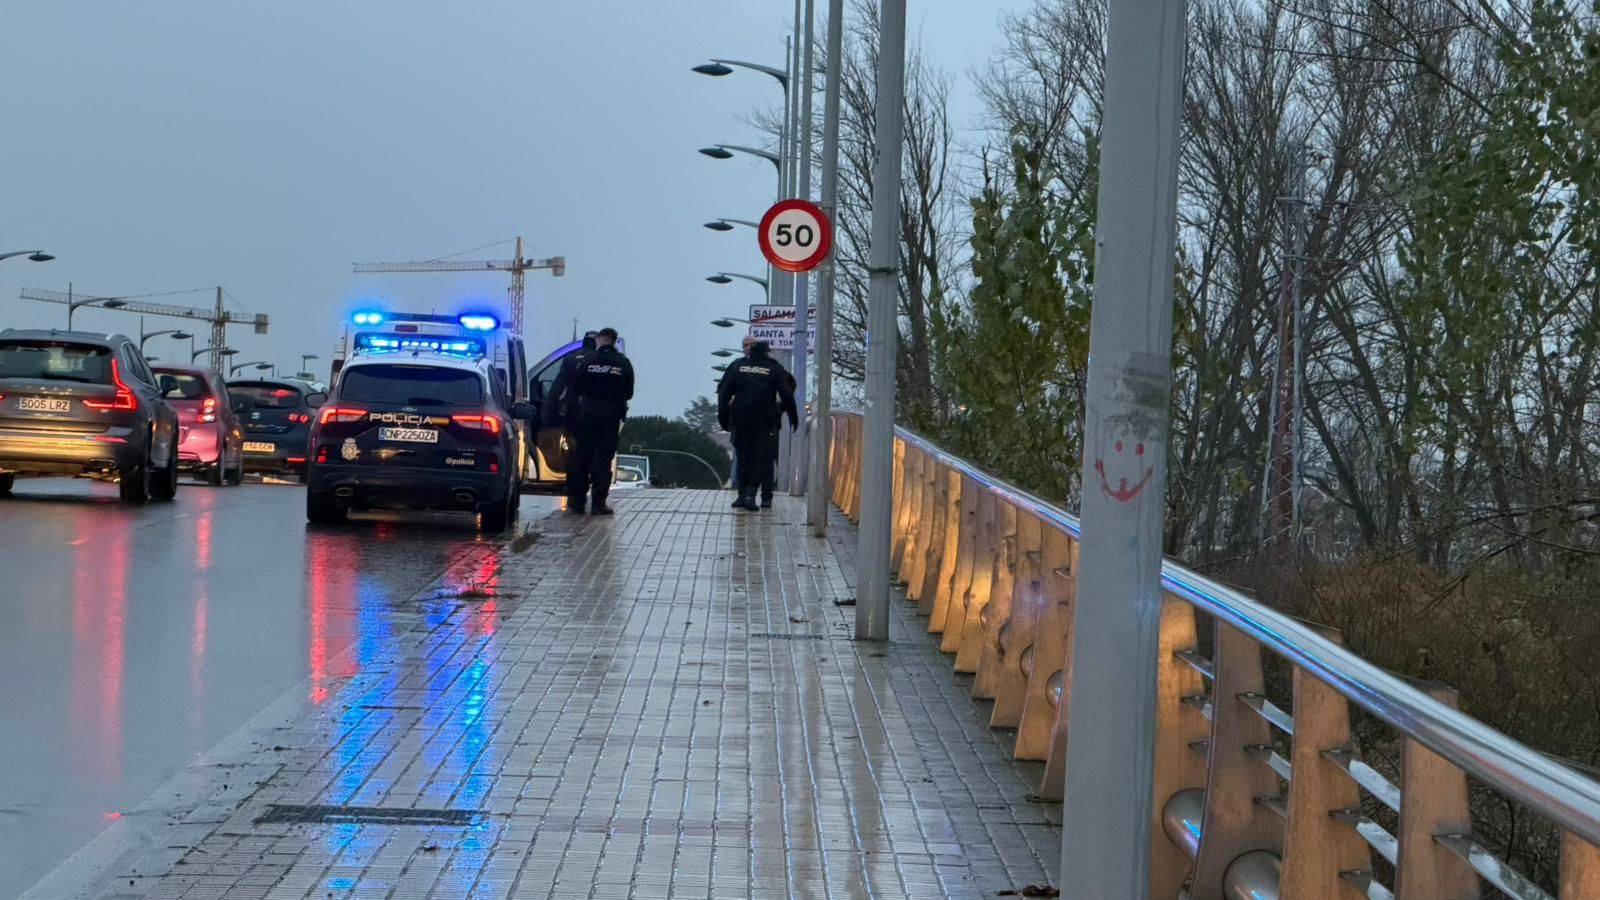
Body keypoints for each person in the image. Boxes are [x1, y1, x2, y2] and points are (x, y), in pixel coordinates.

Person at [718, 340, 798, 511]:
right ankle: (753, 495)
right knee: (761, 459)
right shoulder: (773, 368)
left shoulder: (737, 366)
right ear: (766, 352)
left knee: (743, 458)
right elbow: (787, 392)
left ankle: (742, 494)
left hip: (740, 420)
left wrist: (723, 418)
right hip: (765, 421)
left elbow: (723, 393)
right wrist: (790, 414)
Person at [566, 327, 633, 515]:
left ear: (599, 340)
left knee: (582, 456)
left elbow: (575, 388)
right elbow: (629, 392)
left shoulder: (587, 361)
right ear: (613, 341)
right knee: (603, 459)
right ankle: (598, 503)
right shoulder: (623, 363)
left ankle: (577, 502)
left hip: (587, 414)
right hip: (611, 416)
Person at [543, 330, 598, 429]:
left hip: (573, 411)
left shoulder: (570, 359)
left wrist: (548, 416)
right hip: (596, 413)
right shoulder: (602, 361)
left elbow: (556, 390)